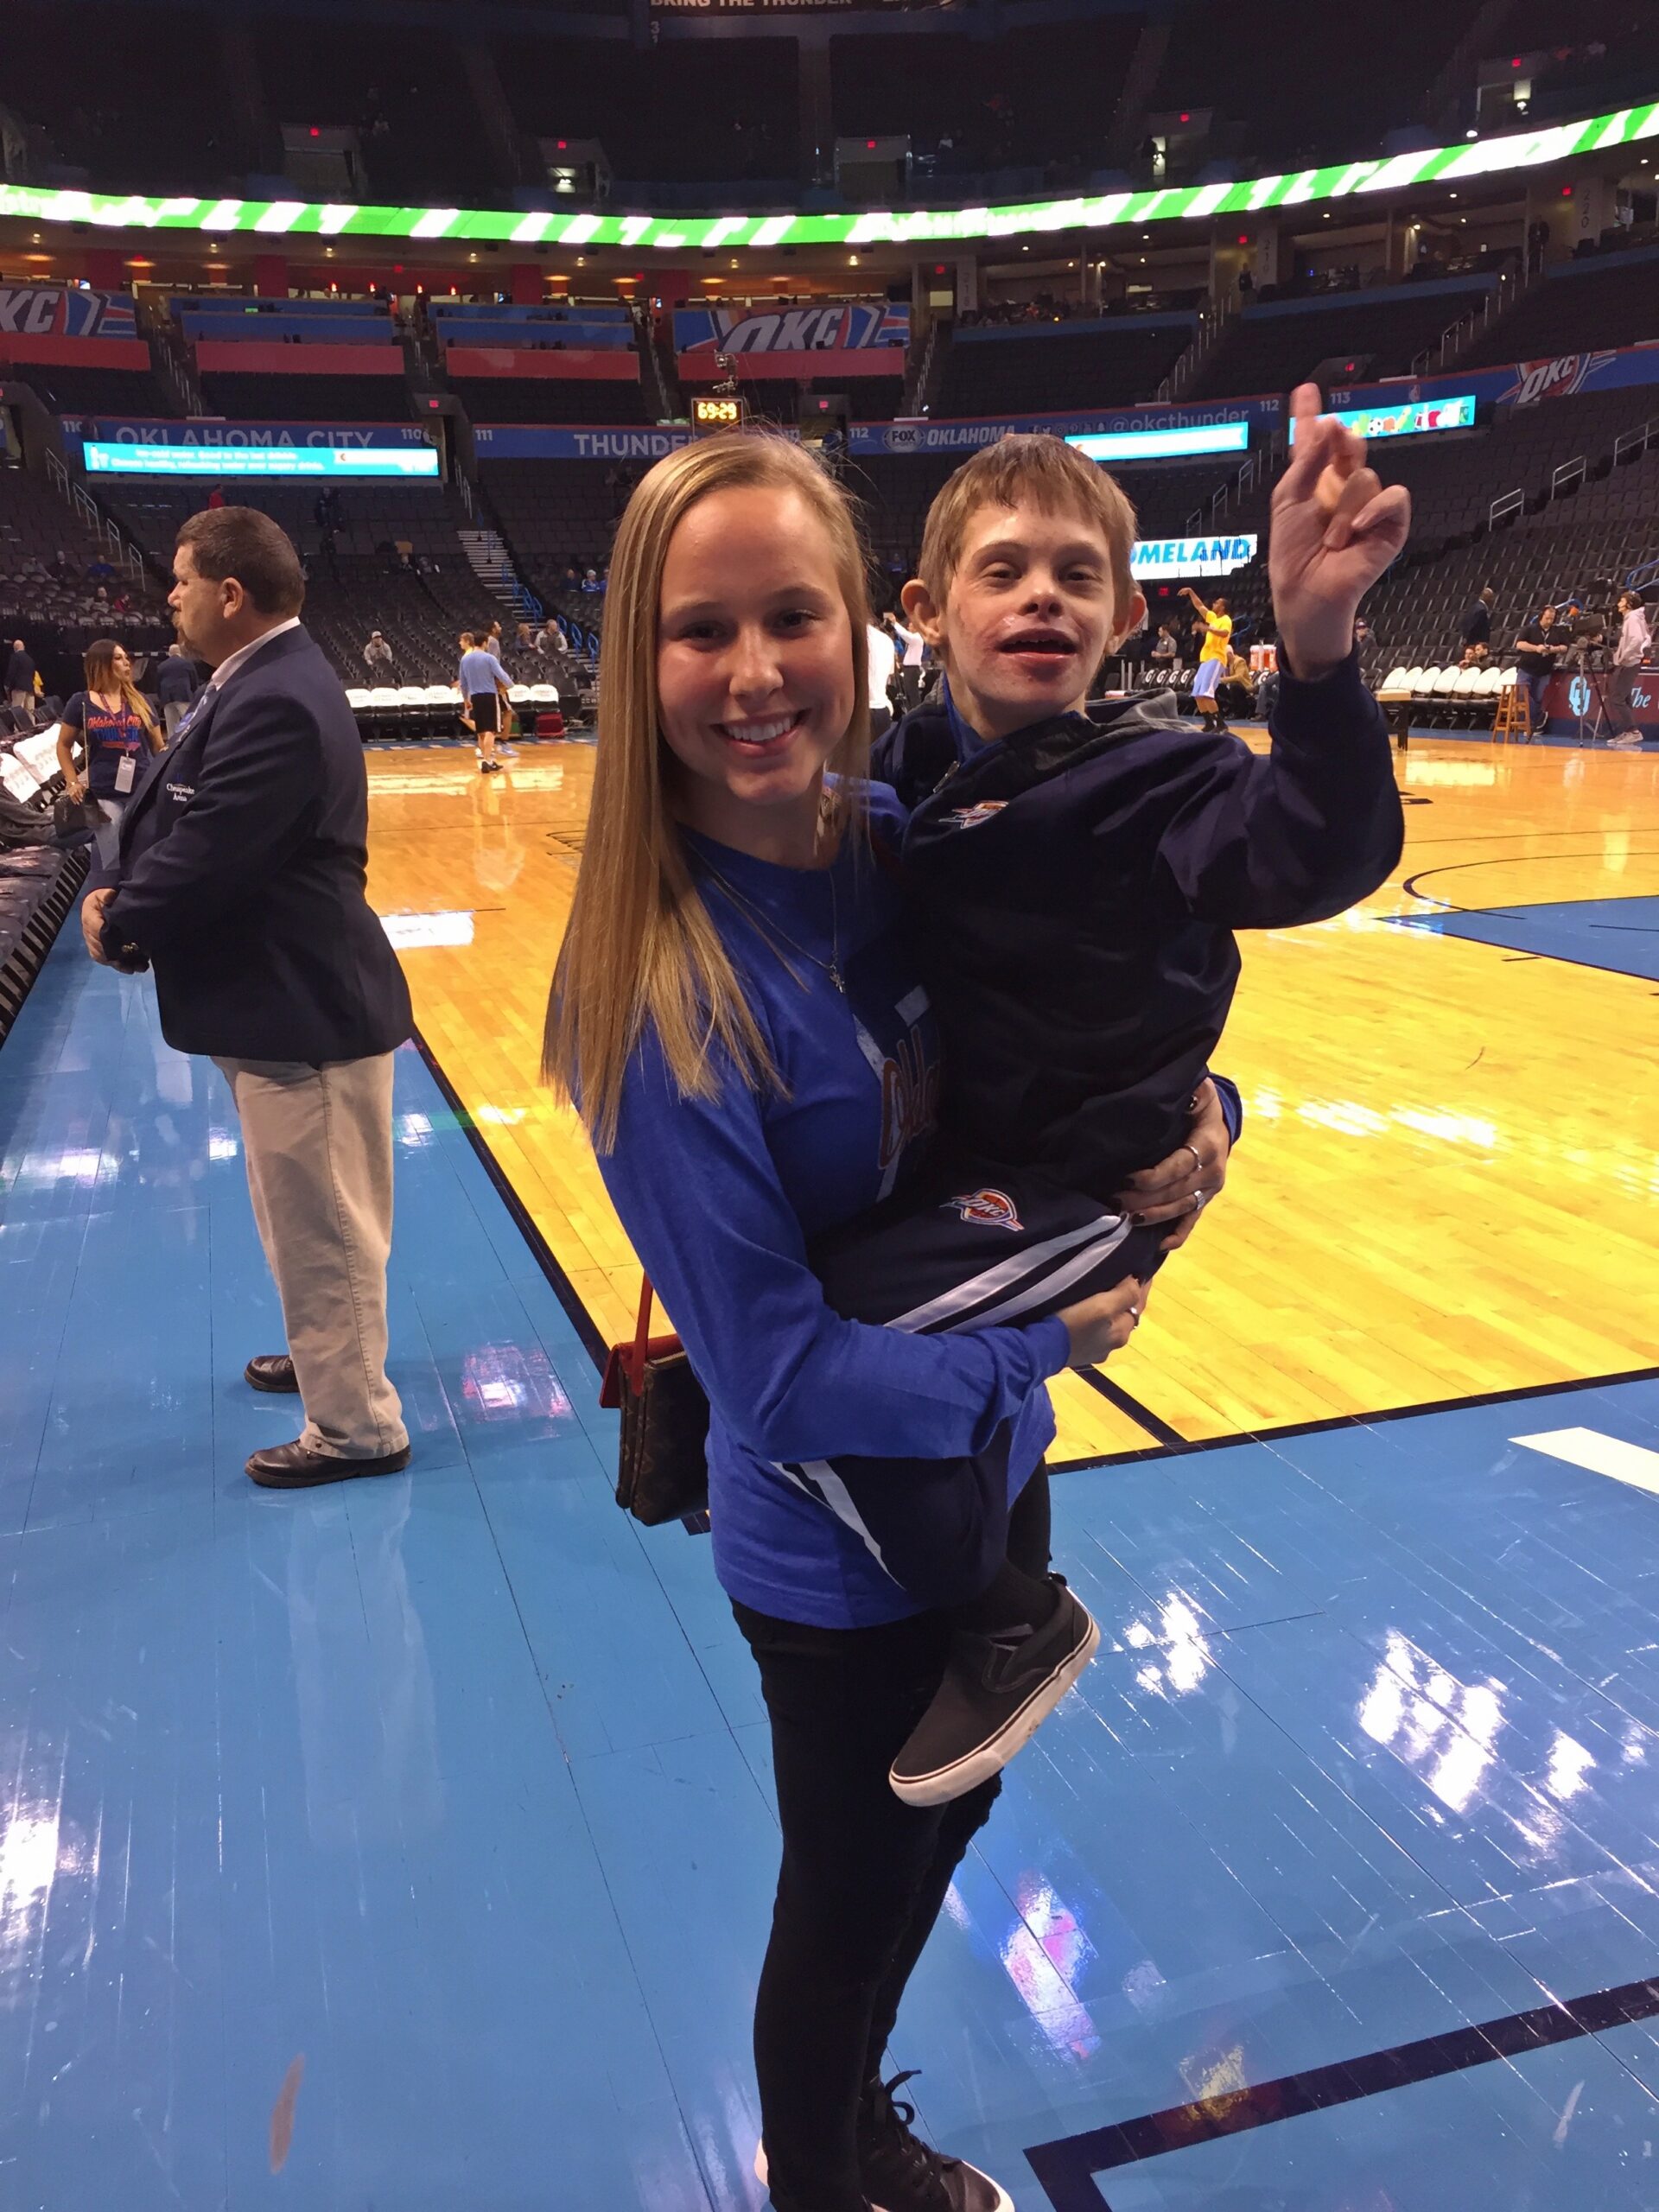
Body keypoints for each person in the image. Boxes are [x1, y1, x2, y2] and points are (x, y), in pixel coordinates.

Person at [543, 432, 1232, 2212]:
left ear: (869, 631)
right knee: (851, 1887)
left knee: (955, 1820)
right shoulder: (661, 998)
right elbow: (775, 1375)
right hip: (840, 1534)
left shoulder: (901, 841)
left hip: (993, 1456)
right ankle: (822, 2173)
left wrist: (1200, 1122)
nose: (758, 670)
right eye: (704, 631)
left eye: (795, 616)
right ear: (642, 660)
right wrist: (1054, 1335)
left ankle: (856, 2121)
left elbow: (1080, 1033)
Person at [815, 399, 1404, 1804]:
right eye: (1004, 568)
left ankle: (1011, 1618)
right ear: (925, 610)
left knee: (829, 1341)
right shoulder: (895, 778)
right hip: (974, 1177)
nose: (1041, 595)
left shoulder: (1167, 777)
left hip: (1096, 1190)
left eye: (1078, 575)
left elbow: (1315, 851)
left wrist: (1316, 653)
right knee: (840, 1346)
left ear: (1130, 615)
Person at [79, 505, 413, 1491]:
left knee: (325, 1222)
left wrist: (123, 918)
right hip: (280, 1000)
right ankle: (327, 1357)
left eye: (181, 581)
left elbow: (215, 847)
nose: (170, 597)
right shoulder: (263, 679)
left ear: (232, 593)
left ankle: (356, 1426)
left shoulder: (274, 694)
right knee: (299, 1212)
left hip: (301, 1004)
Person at [55, 638, 166, 870]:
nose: (127, 663)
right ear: (101, 663)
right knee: (112, 862)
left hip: (143, 790)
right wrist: (72, 782)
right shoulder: (81, 703)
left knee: (144, 857)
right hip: (104, 793)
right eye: (118, 658)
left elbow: (158, 746)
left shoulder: (141, 701)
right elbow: (63, 745)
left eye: (126, 658)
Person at [457, 630, 512, 772]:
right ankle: (487, 760)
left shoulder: (465, 659)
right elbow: (502, 675)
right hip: (489, 695)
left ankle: (488, 760)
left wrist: (465, 699)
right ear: (485, 643)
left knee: (481, 731)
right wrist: (510, 685)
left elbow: (463, 683)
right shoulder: (489, 658)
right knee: (491, 731)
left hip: (474, 697)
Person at [1178, 584, 1232, 719]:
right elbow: (1199, 605)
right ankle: (1208, 723)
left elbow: (1225, 633)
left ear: (1223, 607)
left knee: (1207, 693)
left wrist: (1208, 629)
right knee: (1197, 694)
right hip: (1206, 659)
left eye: (1217, 603)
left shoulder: (1226, 619)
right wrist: (1190, 591)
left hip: (1216, 658)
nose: (1214, 604)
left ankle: (1220, 724)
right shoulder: (1213, 618)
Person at [1606, 588, 1651, 749]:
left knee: (1618, 698)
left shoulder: (1632, 617)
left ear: (1629, 604)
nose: (1619, 603)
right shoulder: (1634, 617)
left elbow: (1637, 640)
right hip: (1630, 662)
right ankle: (1629, 730)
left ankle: (1633, 731)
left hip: (1629, 663)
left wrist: (1624, 656)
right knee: (1625, 698)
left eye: (1622, 600)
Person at [1515, 602, 1566, 738]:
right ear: (1541, 616)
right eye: (1547, 618)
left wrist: (1553, 649)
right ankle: (1538, 718)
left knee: (1537, 698)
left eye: (1552, 618)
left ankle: (1532, 724)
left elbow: (1565, 646)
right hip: (1527, 668)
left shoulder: (1557, 631)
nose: (1549, 621)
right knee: (1522, 693)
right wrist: (1536, 648)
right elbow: (1520, 644)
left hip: (1544, 670)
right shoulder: (1530, 629)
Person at [156, 639, 202, 738]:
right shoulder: (187, 664)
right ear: (180, 652)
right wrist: (193, 694)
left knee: (171, 725)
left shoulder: (161, 666)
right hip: (183, 695)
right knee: (189, 721)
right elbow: (193, 680)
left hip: (167, 698)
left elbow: (158, 684)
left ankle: (171, 746)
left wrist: (161, 698)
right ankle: (191, 739)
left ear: (169, 653)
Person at [886, 608, 926, 714]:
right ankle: (911, 712)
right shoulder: (914, 639)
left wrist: (895, 623)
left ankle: (916, 713)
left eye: (911, 625)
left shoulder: (917, 638)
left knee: (913, 694)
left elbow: (905, 635)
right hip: (909, 669)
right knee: (909, 693)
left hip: (912, 669)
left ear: (916, 628)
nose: (908, 627)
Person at [865, 617, 897, 741]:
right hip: (882, 711)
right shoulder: (886, 640)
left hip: (859, 712)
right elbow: (889, 676)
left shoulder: (850, 638)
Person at [5, 638, 36, 723]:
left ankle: (18, 730)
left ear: (15, 648)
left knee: (18, 710)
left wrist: (7, 684)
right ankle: (33, 728)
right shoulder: (30, 659)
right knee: (30, 711)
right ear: (24, 647)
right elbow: (33, 674)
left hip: (19, 688)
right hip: (30, 688)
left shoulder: (15, 657)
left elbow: (12, 672)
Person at [1459, 585, 1495, 653]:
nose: (1492, 600)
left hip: (1470, 642)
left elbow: (1464, 623)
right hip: (1477, 644)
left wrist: (1465, 638)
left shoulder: (1473, 607)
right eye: (1491, 597)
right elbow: (1476, 628)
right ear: (1487, 597)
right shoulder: (1481, 610)